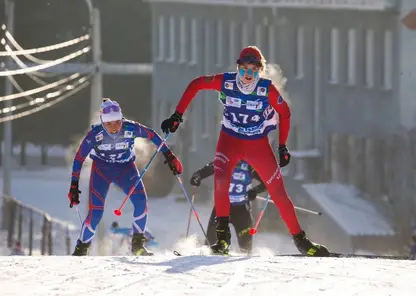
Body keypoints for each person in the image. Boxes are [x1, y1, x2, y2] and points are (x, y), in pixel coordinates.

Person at [161, 46, 330, 256]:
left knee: (278, 192)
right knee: (221, 182)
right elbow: (196, 84)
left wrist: (282, 146)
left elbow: (284, 113)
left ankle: (302, 242)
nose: (248, 75)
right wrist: (177, 115)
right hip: (229, 142)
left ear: (260, 71)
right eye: (244, 70)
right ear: (237, 68)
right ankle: (222, 239)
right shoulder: (227, 81)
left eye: (253, 70)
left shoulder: (265, 89)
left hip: (257, 145)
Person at [68, 98, 182, 256]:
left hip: (125, 169)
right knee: (96, 213)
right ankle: (81, 248)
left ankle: (137, 245)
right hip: (101, 171)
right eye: (109, 124)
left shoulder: (131, 127)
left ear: (121, 119)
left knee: (141, 201)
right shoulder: (95, 134)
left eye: (117, 122)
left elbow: (152, 135)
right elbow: (79, 158)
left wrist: (169, 156)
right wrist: (74, 186)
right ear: (102, 122)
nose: (114, 128)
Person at [190, 160, 266, 254]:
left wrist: (255, 191)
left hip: (241, 210)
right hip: (221, 208)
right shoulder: (223, 161)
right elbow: (205, 170)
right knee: (210, 245)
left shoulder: (249, 165)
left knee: (245, 248)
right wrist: (197, 176)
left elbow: (266, 182)